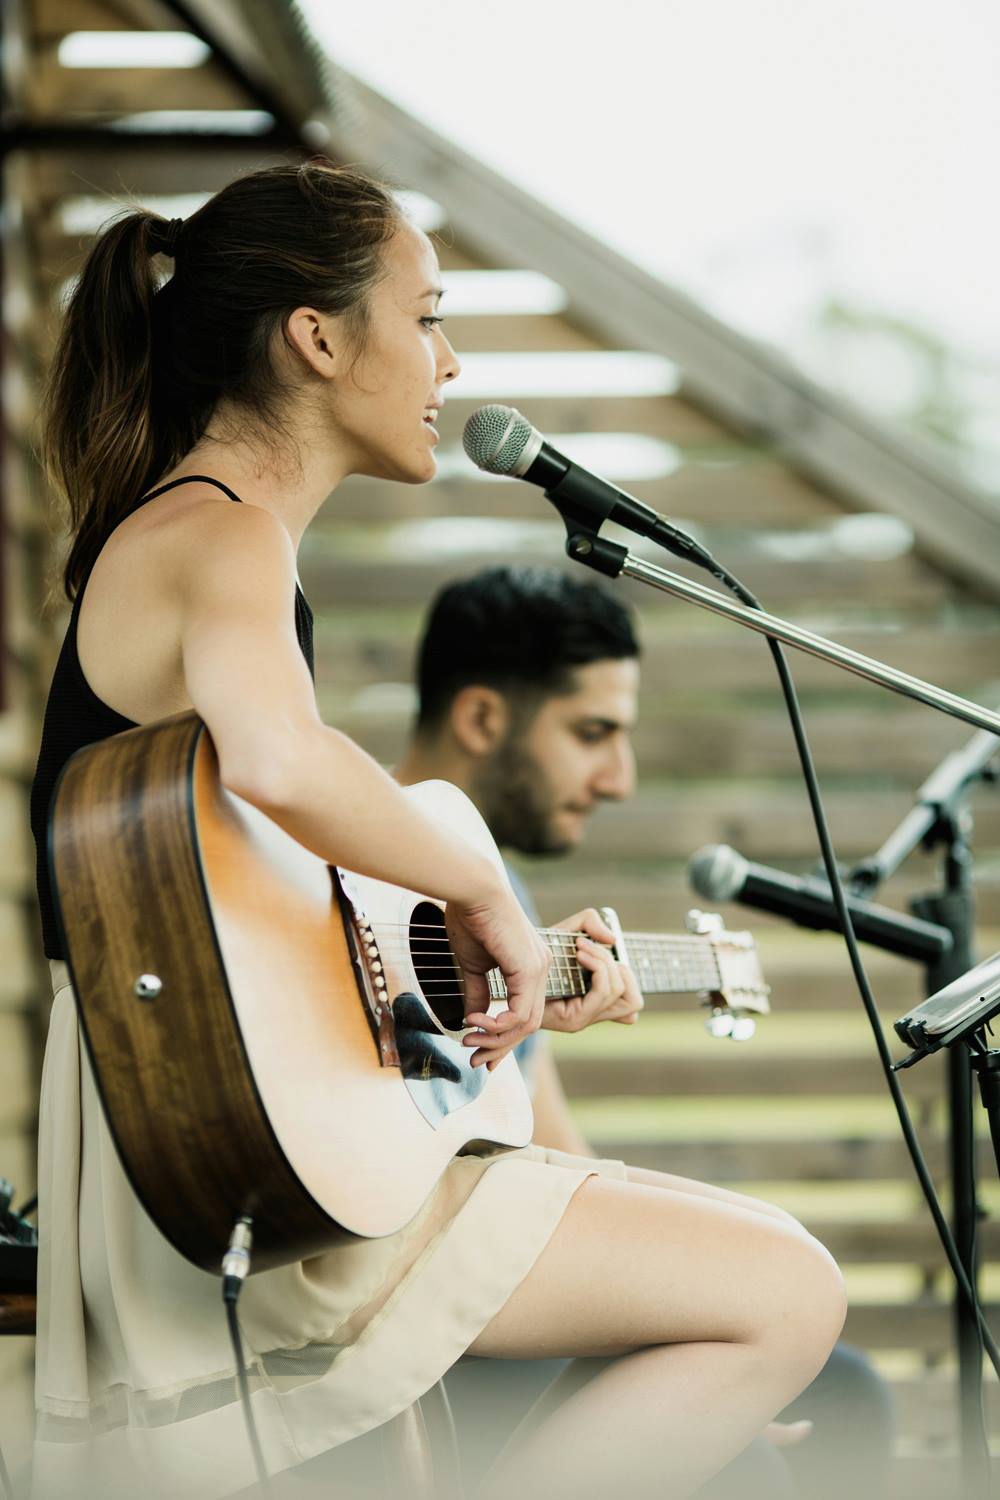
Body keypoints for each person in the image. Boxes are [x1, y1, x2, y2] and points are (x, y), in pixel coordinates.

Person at [27, 161, 847, 1500]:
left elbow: (268, 931)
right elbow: (280, 762)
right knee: (787, 1296)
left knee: (754, 1295)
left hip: (219, 1147)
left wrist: (481, 982)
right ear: (316, 337)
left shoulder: (200, 537)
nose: (450, 363)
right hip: (211, 1163)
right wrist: (479, 886)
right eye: (426, 318)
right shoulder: (217, 534)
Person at [394, 565, 895, 1500]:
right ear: (482, 718)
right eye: (593, 734)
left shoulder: (507, 899)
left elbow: (551, 1157)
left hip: (500, 1267)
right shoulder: (344, 869)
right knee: (749, 1463)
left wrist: (707, 1353)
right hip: (421, 1315)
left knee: (847, 1394)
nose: (619, 780)